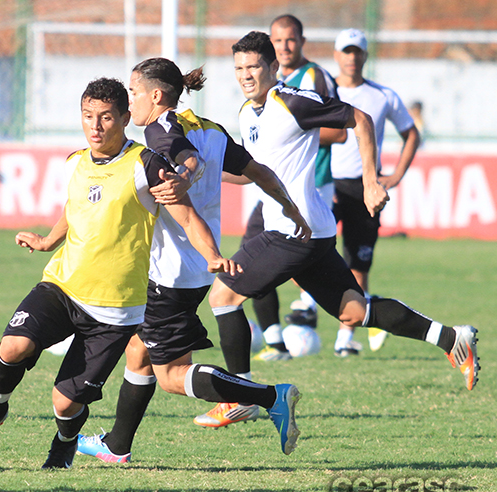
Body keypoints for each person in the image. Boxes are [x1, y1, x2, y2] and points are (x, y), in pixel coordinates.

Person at [0, 77, 301, 469]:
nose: (95, 126)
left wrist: (212, 254)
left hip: (115, 309)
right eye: (88, 116)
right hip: (62, 285)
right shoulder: (75, 161)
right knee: (14, 347)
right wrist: (48, 242)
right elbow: (75, 207)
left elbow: (187, 216)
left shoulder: (146, 163)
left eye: (105, 117)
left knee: (68, 402)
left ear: (125, 119)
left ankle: (69, 441)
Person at [196, 31, 478, 434]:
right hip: (308, 232)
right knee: (354, 312)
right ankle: (452, 338)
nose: (246, 74)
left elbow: (357, 120)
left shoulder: (292, 101)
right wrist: (201, 176)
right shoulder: (246, 113)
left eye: (254, 66)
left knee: (224, 296)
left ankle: (240, 399)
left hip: (295, 231)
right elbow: (255, 171)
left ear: (273, 67)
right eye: (239, 68)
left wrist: (369, 180)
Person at [75, 58, 309, 462]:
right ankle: (117, 445)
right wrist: (290, 207)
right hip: (196, 266)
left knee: (170, 376)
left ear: (156, 95)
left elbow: (187, 160)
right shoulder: (212, 130)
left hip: (169, 270)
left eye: (133, 92)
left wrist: (185, 173)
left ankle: (270, 397)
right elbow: (260, 171)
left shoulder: (160, 127)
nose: (131, 100)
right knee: (138, 351)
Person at [239, 15, 349, 367]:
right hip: (274, 192)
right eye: (278, 40)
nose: (285, 46)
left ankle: (302, 318)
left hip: (311, 184)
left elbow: (341, 128)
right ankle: (276, 338)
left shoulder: (311, 80)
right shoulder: (257, 98)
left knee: (233, 284)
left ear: (301, 42)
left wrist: (300, 132)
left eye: (290, 40)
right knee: (251, 259)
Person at [331, 29, 421, 357]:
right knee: (302, 247)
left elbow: (411, 133)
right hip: (326, 183)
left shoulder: (383, 96)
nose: (352, 57)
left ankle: (346, 338)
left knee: (358, 264)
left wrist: (396, 175)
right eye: (346, 51)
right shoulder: (324, 90)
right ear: (336, 54)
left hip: (364, 187)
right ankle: (306, 309)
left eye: (358, 51)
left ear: (365, 56)